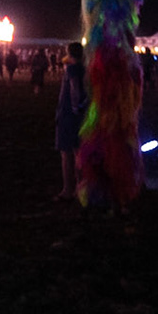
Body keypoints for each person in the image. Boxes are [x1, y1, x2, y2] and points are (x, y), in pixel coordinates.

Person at [54, 41, 88, 201]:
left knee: (66, 154)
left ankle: (67, 189)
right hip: (80, 116)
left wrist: (75, 107)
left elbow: (75, 89)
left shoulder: (72, 69)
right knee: (78, 153)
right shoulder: (85, 68)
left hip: (69, 115)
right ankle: (80, 188)